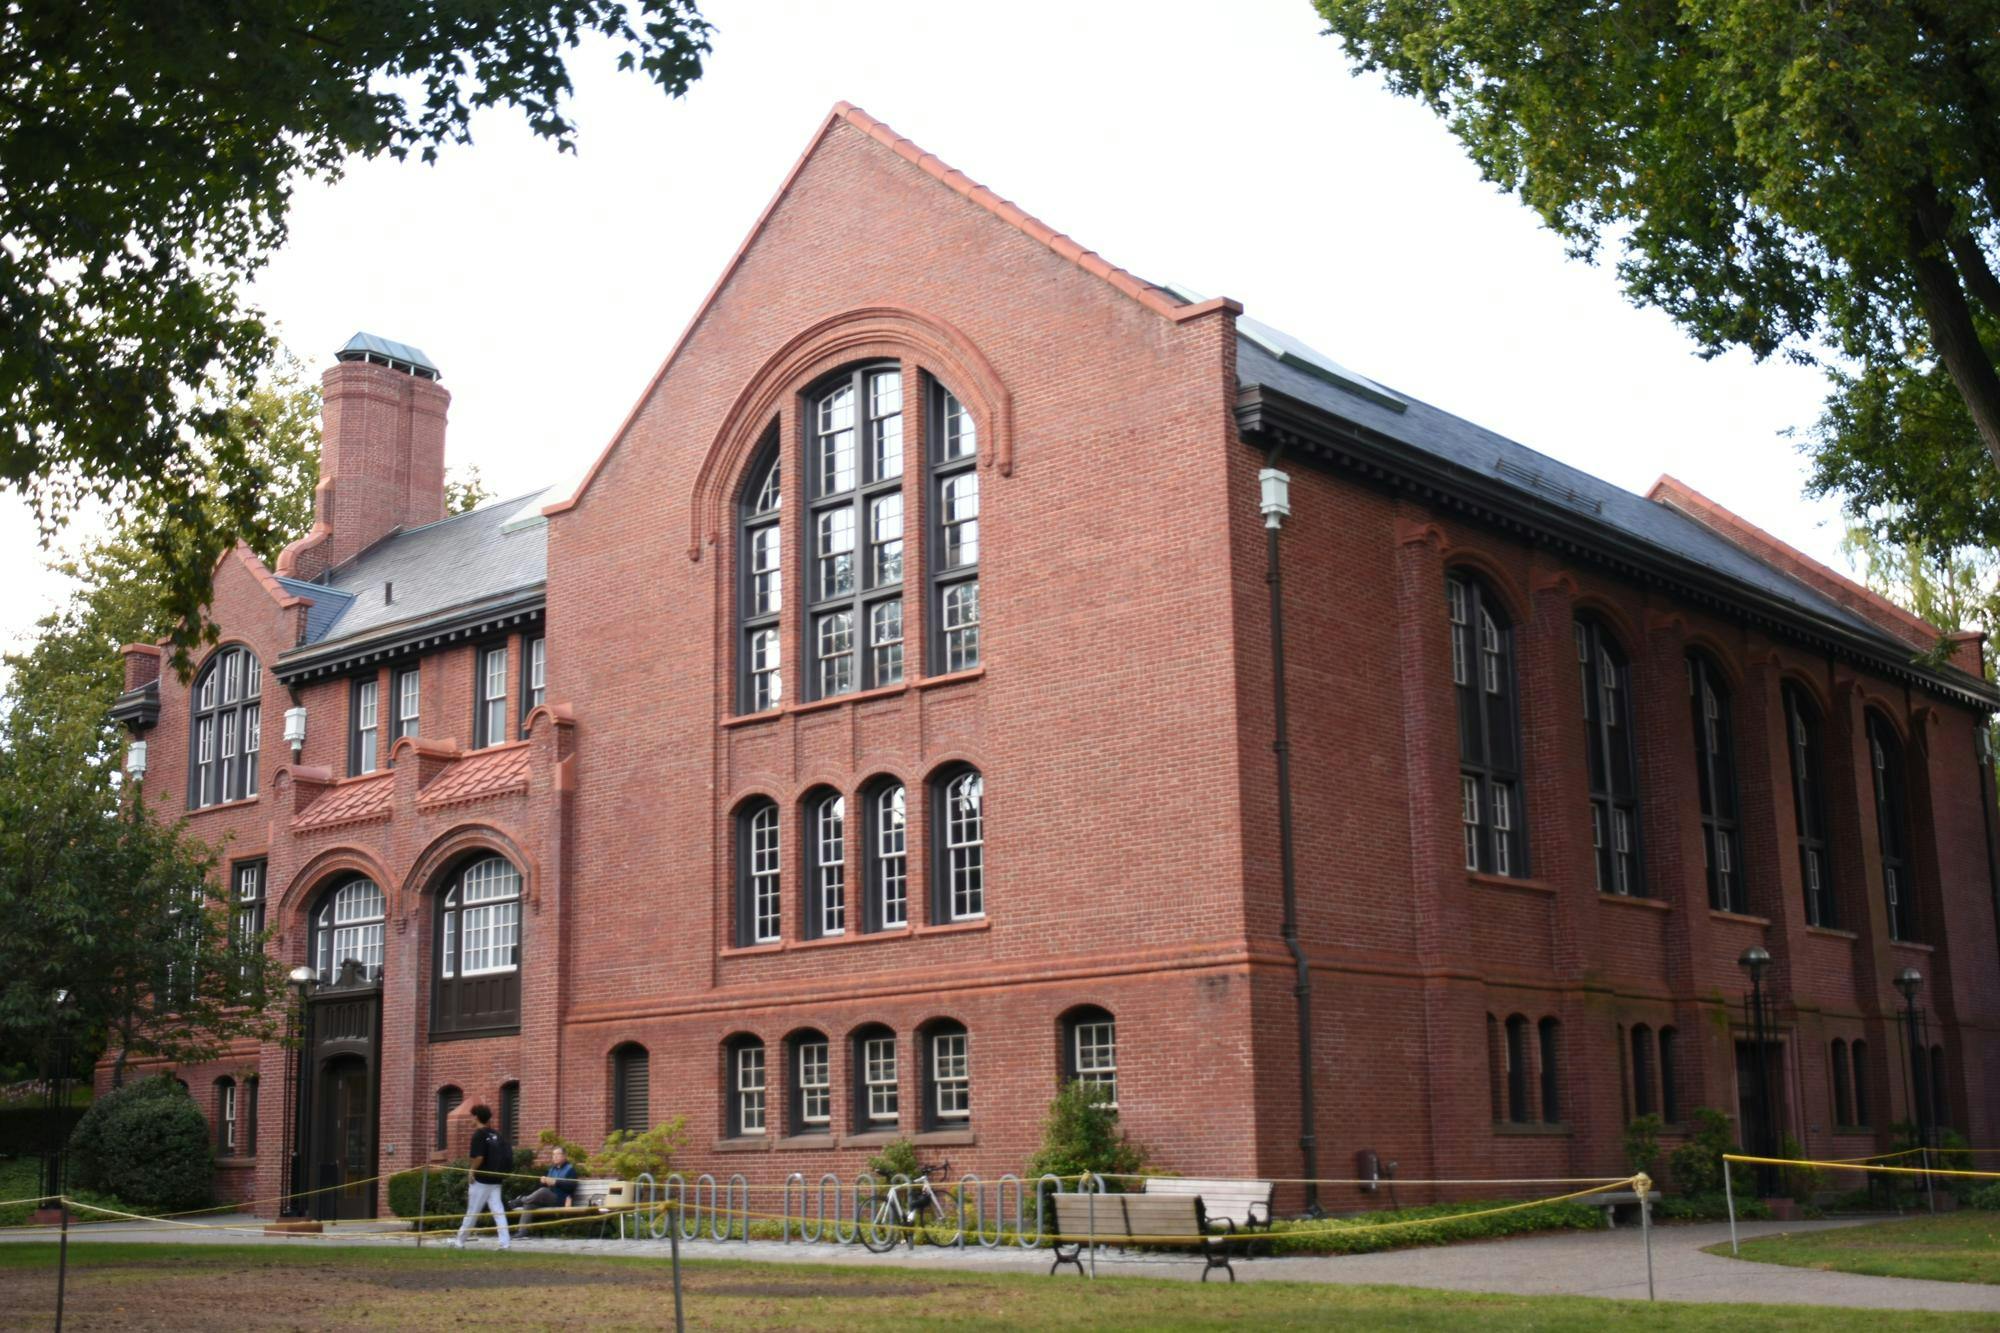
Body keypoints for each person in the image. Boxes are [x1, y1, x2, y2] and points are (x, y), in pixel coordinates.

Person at [448, 1103, 511, 1250]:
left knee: (472, 1211)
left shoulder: (479, 1135)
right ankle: (505, 1243)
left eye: (471, 1116)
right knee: (498, 1211)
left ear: (476, 1117)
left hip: (482, 1180)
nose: (470, 1119)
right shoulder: (496, 1134)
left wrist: (471, 1171)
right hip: (496, 1179)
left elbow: (479, 1157)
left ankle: (459, 1241)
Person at [508, 1146, 580, 1211]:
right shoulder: (552, 1169)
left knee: (543, 1191)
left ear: (564, 1156)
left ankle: (520, 1201)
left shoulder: (570, 1169)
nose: (555, 1156)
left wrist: (556, 1182)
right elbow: (545, 1187)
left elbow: (572, 1186)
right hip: (548, 1199)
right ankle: (523, 1226)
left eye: (558, 1154)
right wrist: (543, 1182)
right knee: (529, 1205)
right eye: (553, 1154)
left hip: (562, 1199)